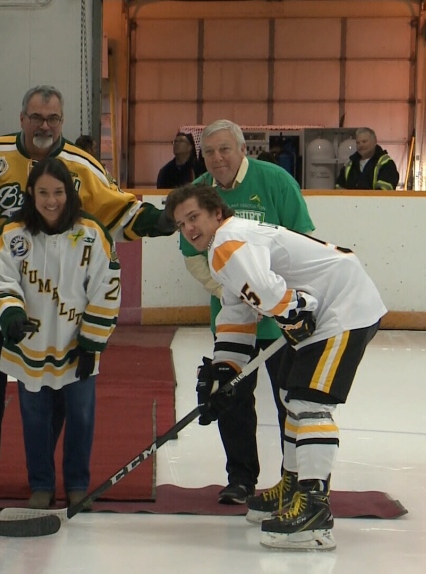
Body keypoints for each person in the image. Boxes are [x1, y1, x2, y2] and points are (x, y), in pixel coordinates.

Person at [0, 85, 175, 493]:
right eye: (37, 117)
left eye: (53, 119)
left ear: (62, 122)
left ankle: (53, 476)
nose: (45, 125)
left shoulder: (81, 165)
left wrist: (158, 221)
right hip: (2, 299)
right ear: (22, 118)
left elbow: (118, 208)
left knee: (57, 394)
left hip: (60, 309)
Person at [166, 183, 385, 551]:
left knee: (309, 402)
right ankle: (293, 486)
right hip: (329, 308)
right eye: (180, 223)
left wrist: (291, 309)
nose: (189, 228)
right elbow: (238, 313)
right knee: (290, 397)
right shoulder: (226, 249)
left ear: (217, 213)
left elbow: (267, 293)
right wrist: (224, 370)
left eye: (194, 217)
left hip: (345, 308)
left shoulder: (227, 241)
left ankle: (315, 511)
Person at [182, 119, 315, 505]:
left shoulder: (275, 181)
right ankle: (240, 478)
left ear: (242, 149)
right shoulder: (199, 191)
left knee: (289, 401)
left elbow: (301, 244)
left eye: (225, 149)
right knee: (233, 399)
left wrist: (270, 297)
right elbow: (193, 257)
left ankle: (295, 480)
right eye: (209, 151)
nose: (217, 158)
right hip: (231, 322)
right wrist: (238, 294)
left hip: (281, 323)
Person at [0, 157, 120, 510]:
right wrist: (10, 314)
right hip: (30, 345)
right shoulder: (13, 233)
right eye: (43, 192)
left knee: (81, 415)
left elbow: (107, 287)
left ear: (70, 191)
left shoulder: (91, 234)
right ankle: (41, 485)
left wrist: (92, 341)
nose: (51, 200)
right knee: (35, 417)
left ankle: (78, 484)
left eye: (58, 192)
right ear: (30, 193)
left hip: (78, 343)